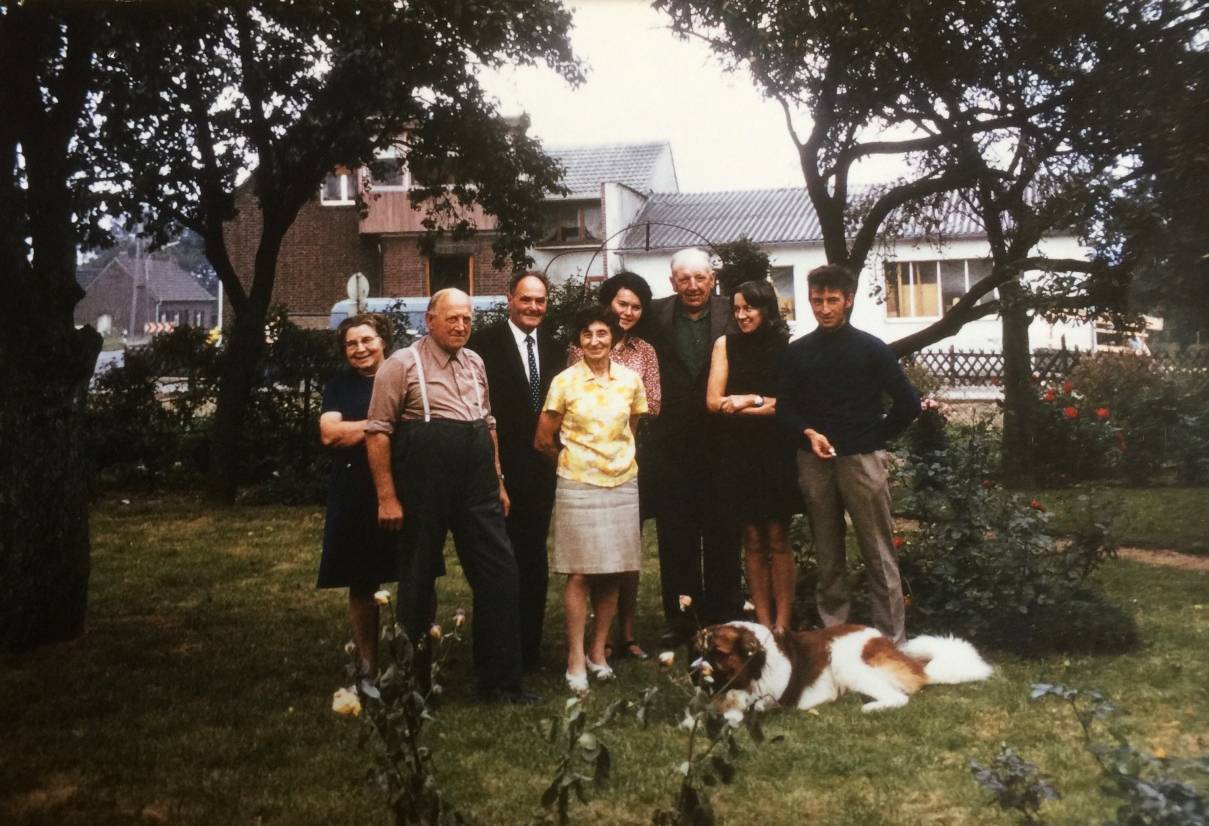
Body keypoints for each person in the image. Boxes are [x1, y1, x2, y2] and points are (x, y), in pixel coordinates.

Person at [365, 288, 540, 704]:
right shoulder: (401, 365)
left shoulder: (476, 361)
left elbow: (488, 422)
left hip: (477, 480)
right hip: (425, 482)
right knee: (418, 579)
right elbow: (377, 431)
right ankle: (414, 683)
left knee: (501, 574)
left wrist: (497, 480)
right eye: (452, 319)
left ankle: (501, 682)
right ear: (430, 320)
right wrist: (387, 497)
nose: (461, 326)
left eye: (467, 319)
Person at [776, 264, 919, 643]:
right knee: (828, 557)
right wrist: (807, 433)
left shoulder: (872, 349)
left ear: (848, 301)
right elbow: (784, 408)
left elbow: (908, 403)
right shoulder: (798, 352)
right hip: (814, 460)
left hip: (862, 460)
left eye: (832, 301)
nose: (824, 308)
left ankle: (892, 641)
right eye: (817, 301)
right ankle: (834, 640)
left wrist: (874, 438)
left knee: (879, 554)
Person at [535, 305, 648, 694]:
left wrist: (613, 461)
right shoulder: (564, 382)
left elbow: (631, 429)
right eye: (587, 335)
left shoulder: (631, 381)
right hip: (578, 483)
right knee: (580, 572)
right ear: (578, 341)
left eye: (602, 333)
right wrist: (576, 460)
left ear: (613, 338)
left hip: (622, 483)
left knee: (613, 569)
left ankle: (598, 653)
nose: (595, 341)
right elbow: (544, 438)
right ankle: (574, 657)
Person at [467, 272, 564, 672]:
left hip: (540, 471)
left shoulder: (557, 348)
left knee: (533, 559)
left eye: (540, 301)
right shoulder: (483, 346)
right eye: (526, 299)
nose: (534, 308)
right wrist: (494, 471)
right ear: (510, 299)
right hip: (497, 469)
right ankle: (495, 651)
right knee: (497, 562)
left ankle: (529, 649)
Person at [647, 248, 740, 645]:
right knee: (676, 534)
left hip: (723, 440)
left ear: (712, 279)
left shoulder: (733, 312)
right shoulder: (655, 315)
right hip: (672, 444)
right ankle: (682, 620)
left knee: (722, 530)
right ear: (672, 283)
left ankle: (724, 614)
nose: (693, 286)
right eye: (684, 279)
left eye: (700, 278)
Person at [567, 271, 660, 661]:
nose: (628, 312)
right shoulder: (583, 347)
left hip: (629, 460)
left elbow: (652, 403)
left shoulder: (645, 352)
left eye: (636, 307)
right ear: (608, 303)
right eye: (622, 304)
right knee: (590, 556)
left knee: (626, 551)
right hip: (586, 465)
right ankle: (596, 639)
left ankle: (626, 632)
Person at [705, 280, 800, 633]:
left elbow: (789, 405)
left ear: (767, 309)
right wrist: (765, 404)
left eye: (750, 308)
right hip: (738, 453)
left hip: (775, 452)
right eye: (737, 309)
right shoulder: (724, 345)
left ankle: (783, 624)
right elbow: (714, 402)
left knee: (777, 536)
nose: (742, 315)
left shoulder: (787, 347)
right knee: (753, 539)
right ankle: (762, 622)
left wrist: (748, 400)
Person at [317, 313, 401, 680]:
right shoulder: (339, 386)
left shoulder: (404, 377)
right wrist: (382, 424)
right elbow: (331, 435)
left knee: (416, 574)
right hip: (353, 492)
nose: (360, 349)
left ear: (383, 340)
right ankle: (368, 664)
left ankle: (415, 660)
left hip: (404, 487)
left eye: (367, 340)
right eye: (351, 343)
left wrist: (360, 429)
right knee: (361, 581)